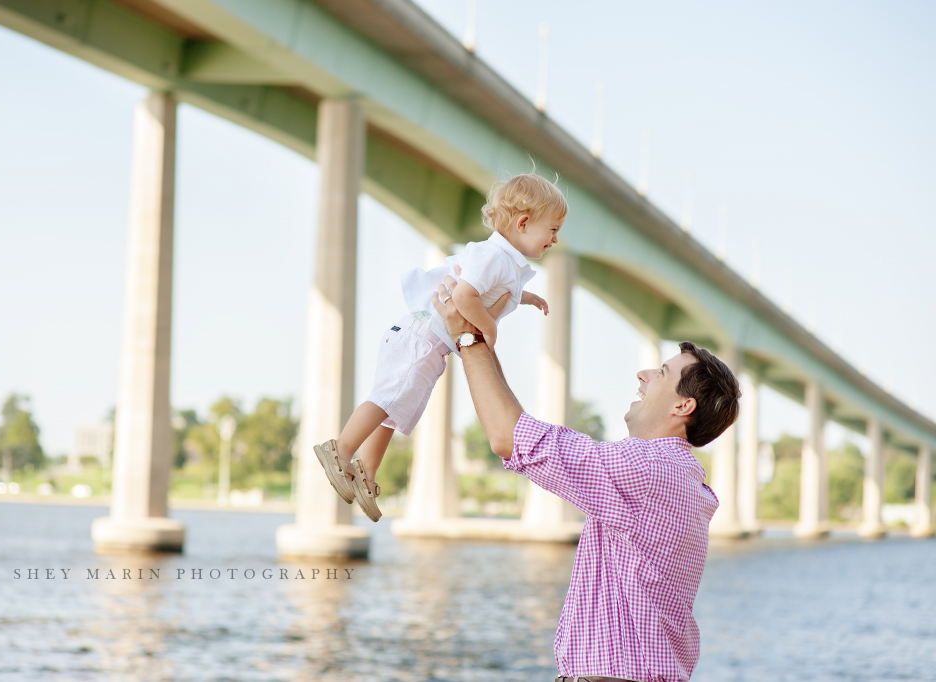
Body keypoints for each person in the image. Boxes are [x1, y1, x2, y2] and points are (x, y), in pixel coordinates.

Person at [431, 276, 741, 682]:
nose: (643, 373)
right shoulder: (679, 478)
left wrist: (468, 341)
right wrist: (481, 342)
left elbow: (510, 438)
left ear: (683, 405)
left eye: (661, 372)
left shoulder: (648, 470)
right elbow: (519, 429)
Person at [313, 173, 568, 522]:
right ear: (524, 223)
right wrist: (489, 328)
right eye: (552, 229)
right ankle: (339, 450)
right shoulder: (494, 255)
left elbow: (494, 289)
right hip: (421, 336)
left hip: (429, 344)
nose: (556, 239)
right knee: (388, 397)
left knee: (397, 409)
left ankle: (365, 473)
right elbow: (465, 294)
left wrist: (526, 298)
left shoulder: (504, 262)